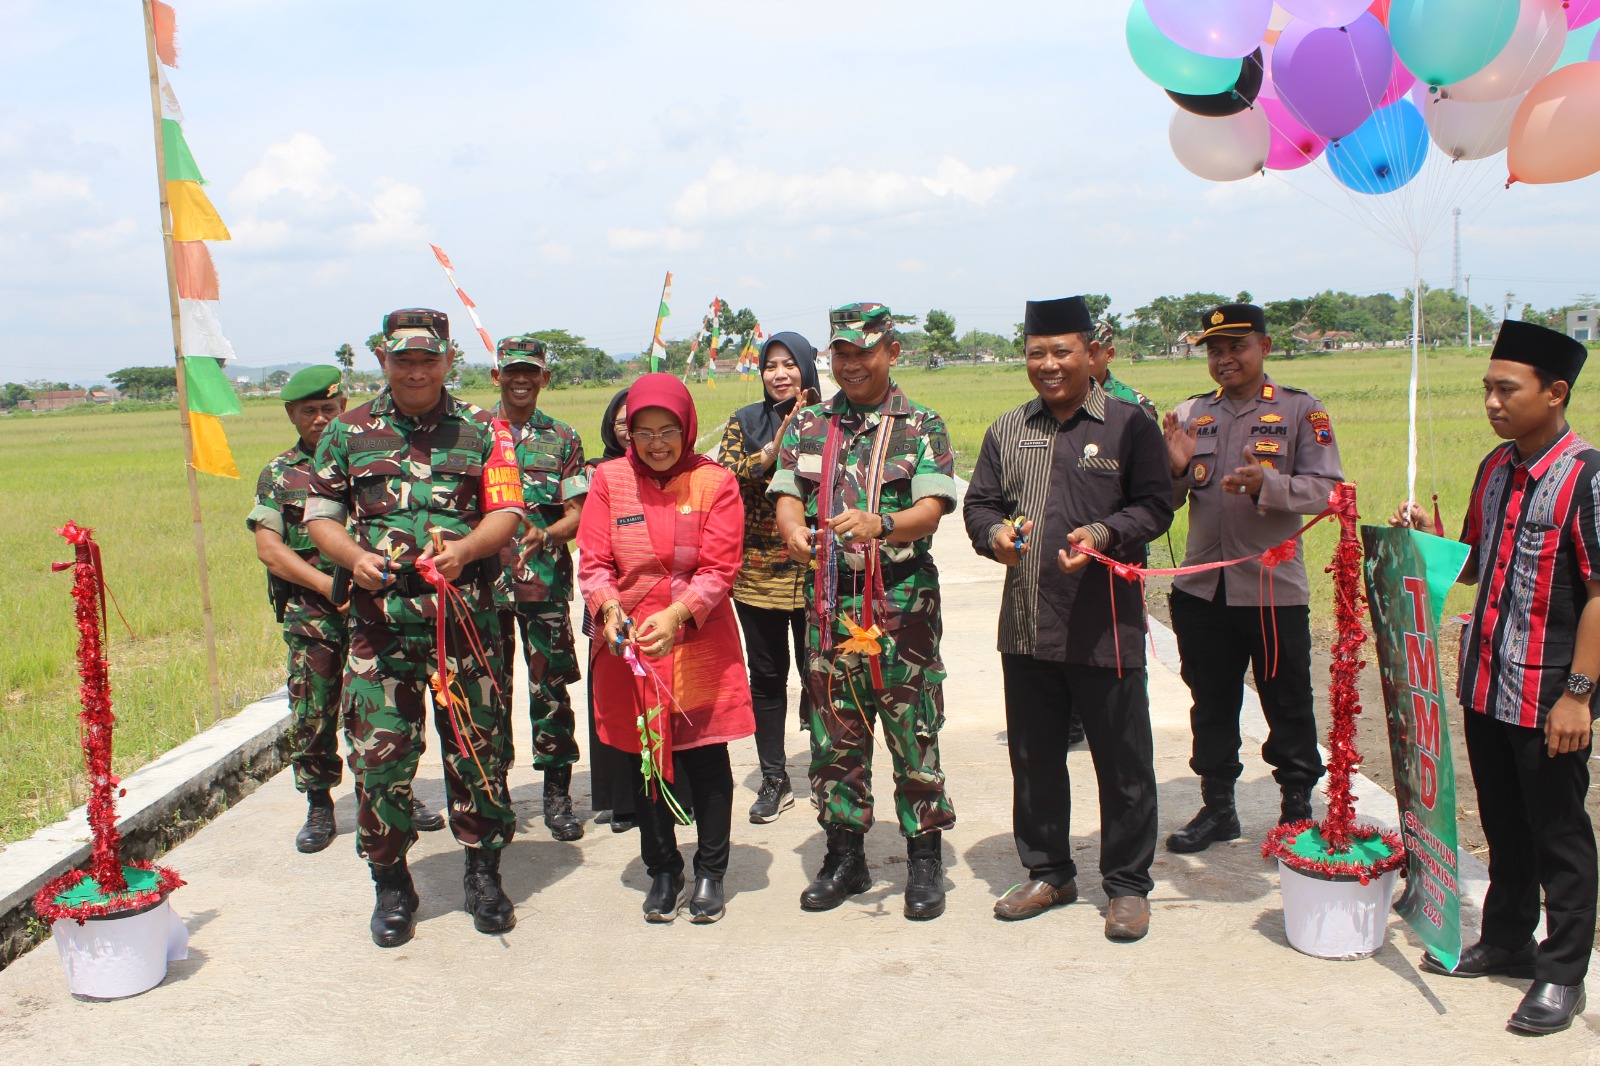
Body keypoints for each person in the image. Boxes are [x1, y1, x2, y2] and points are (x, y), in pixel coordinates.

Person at [1390, 320, 1599, 1036]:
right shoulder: (1496, 468)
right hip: (1485, 682)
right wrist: (1429, 533)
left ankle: (1562, 972)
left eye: (1506, 390)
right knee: (1505, 826)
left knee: (1559, 834)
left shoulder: (1586, 477)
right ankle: (1507, 938)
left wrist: (1579, 697)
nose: (1491, 402)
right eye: (1487, 388)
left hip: (1550, 696)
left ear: (1556, 391)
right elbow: (1478, 564)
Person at [306, 307, 525, 948]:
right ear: (383, 361)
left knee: (479, 754)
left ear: (448, 361)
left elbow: (507, 509)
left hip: (466, 624)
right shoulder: (346, 433)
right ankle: (392, 883)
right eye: (404, 359)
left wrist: (466, 550)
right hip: (380, 632)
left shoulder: (484, 430)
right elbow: (322, 517)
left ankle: (483, 873)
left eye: (429, 359)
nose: (417, 370)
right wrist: (355, 559)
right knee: (379, 762)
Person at [964, 296, 1174, 941]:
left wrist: (1106, 534)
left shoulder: (1128, 424)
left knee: (1123, 760)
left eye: (1062, 352)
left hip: (1103, 622)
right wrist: (994, 534)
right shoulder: (1006, 429)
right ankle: (1050, 870)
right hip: (1026, 621)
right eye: (1037, 353)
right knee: (1034, 758)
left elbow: (1156, 506)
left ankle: (1128, 885)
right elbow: (978, 504)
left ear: (1090, 353)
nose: (1049, 365)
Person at [770, 301, 960, 921]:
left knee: (913, 728)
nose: (851, 364)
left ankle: (924, 855)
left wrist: (883, 524)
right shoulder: (808, 425)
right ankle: (845, 855)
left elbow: (932, 508)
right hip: (830, 603)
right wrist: (794, 531)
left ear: (891, 352)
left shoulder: (920, 424)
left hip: (901, 604)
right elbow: (787, 494)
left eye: (864, 351)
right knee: (834, 732)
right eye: (841, 353)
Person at [1162, 303, 1342, 852]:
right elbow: (1163, 503)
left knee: (1286, 701)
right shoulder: (1191, 415)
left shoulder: (1299, 411)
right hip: (1201, 591)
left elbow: (1329, 491)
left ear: (1264, 347)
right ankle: (1218, 810)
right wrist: (1173, 468)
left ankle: (1295, 811)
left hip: (1271, 591)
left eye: (1236, 347)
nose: (1224, 359)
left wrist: (1270, 485)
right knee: (1211, 702)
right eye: (1215, 350)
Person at [577, 374, 753, 924]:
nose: (656, 443)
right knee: (643, 759)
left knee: (705, 758)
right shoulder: (608, 479)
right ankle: (662, 869)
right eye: (643, 431)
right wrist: (608, 611)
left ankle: (710, 872)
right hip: (628, 643)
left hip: (698, 642)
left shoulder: (716, 482)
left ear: (687, 428)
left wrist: (677, 616)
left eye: (668, 431)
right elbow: (595, 560)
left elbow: (720, 566)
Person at [249, 367, 447, 852]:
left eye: (328, 410)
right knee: (314, 712)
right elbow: (270, 549)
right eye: (308, 411)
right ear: (291, 416)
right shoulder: (280, 474)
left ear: (342, 410)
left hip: (380, 613)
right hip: (315, 617)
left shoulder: (373, 460)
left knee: (384, 713)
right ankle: (320, 804)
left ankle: (391, 795)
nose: (319, 419)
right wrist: (326, 584)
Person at [479, 337, 589, 842]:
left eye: (531, 372)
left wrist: (547, 534)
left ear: (544, 378)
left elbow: (578, 512)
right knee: (487, 690)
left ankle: (557, 793)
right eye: (512, 372)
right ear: (497, 375)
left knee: (550, 690)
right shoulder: (474, 433)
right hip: (482, 585)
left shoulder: (563, 439)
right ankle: (493, 788)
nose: (521, 380)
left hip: (542, 584)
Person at [716, 331, 822, 823]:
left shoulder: (831, 418)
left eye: (789, 364)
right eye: (770, 365)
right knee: (767, 677)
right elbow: (726, 477)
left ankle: (827, 771)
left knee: (820, 674)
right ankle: (774, 777)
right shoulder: (746, 421)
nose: (779, 374)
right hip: (757, 571)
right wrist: (771, 449)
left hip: (817, 566)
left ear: (806, 367)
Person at [585, 388, 638, 834]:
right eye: (621, 422)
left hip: (655, 603)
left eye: (634, 420)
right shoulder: (596, 472)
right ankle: (620, 799)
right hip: (607, 603)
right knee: (614, 702)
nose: (628, 430)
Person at [1089, 321, 1157, 421]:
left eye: (1092, 352)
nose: (1084, 359)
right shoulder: (1062, 401)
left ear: (1110, 355)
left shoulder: (1136, 404)